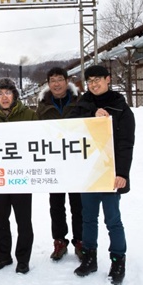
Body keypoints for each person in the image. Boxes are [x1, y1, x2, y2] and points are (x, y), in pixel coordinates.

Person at [68, 65, 135, 285]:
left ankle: (117, 260)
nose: (94, 84)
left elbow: (126, 144)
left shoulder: (121, 108)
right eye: (90, 81)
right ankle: (89, 258)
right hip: (87, 172)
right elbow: (70, 127)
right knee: (88, 218)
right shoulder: (82, 104)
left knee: (112, 219)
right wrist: (92, 115)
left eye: (98, 79)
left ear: (108, 79)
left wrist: (122, 173)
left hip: (109, 173)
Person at [0, 78, 38, 275]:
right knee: (0, 219)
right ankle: (3, 256)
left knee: (23, 220)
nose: (4, 97)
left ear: (14, 95)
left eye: (8, 93)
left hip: (22, 176)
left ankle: (23, 259)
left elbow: (39, 142)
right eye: (0, 94)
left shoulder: (30, 115)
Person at [36, 67, 83, 262]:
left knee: (78, 204)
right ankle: (59, 241)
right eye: (52, 80)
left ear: (67, 81)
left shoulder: (80, 102)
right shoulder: (42, 105)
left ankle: (80, 241)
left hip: (78, 161)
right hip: (54, 162)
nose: (56, 84)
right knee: (56, 204)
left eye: (59, 79)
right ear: (48, 84)